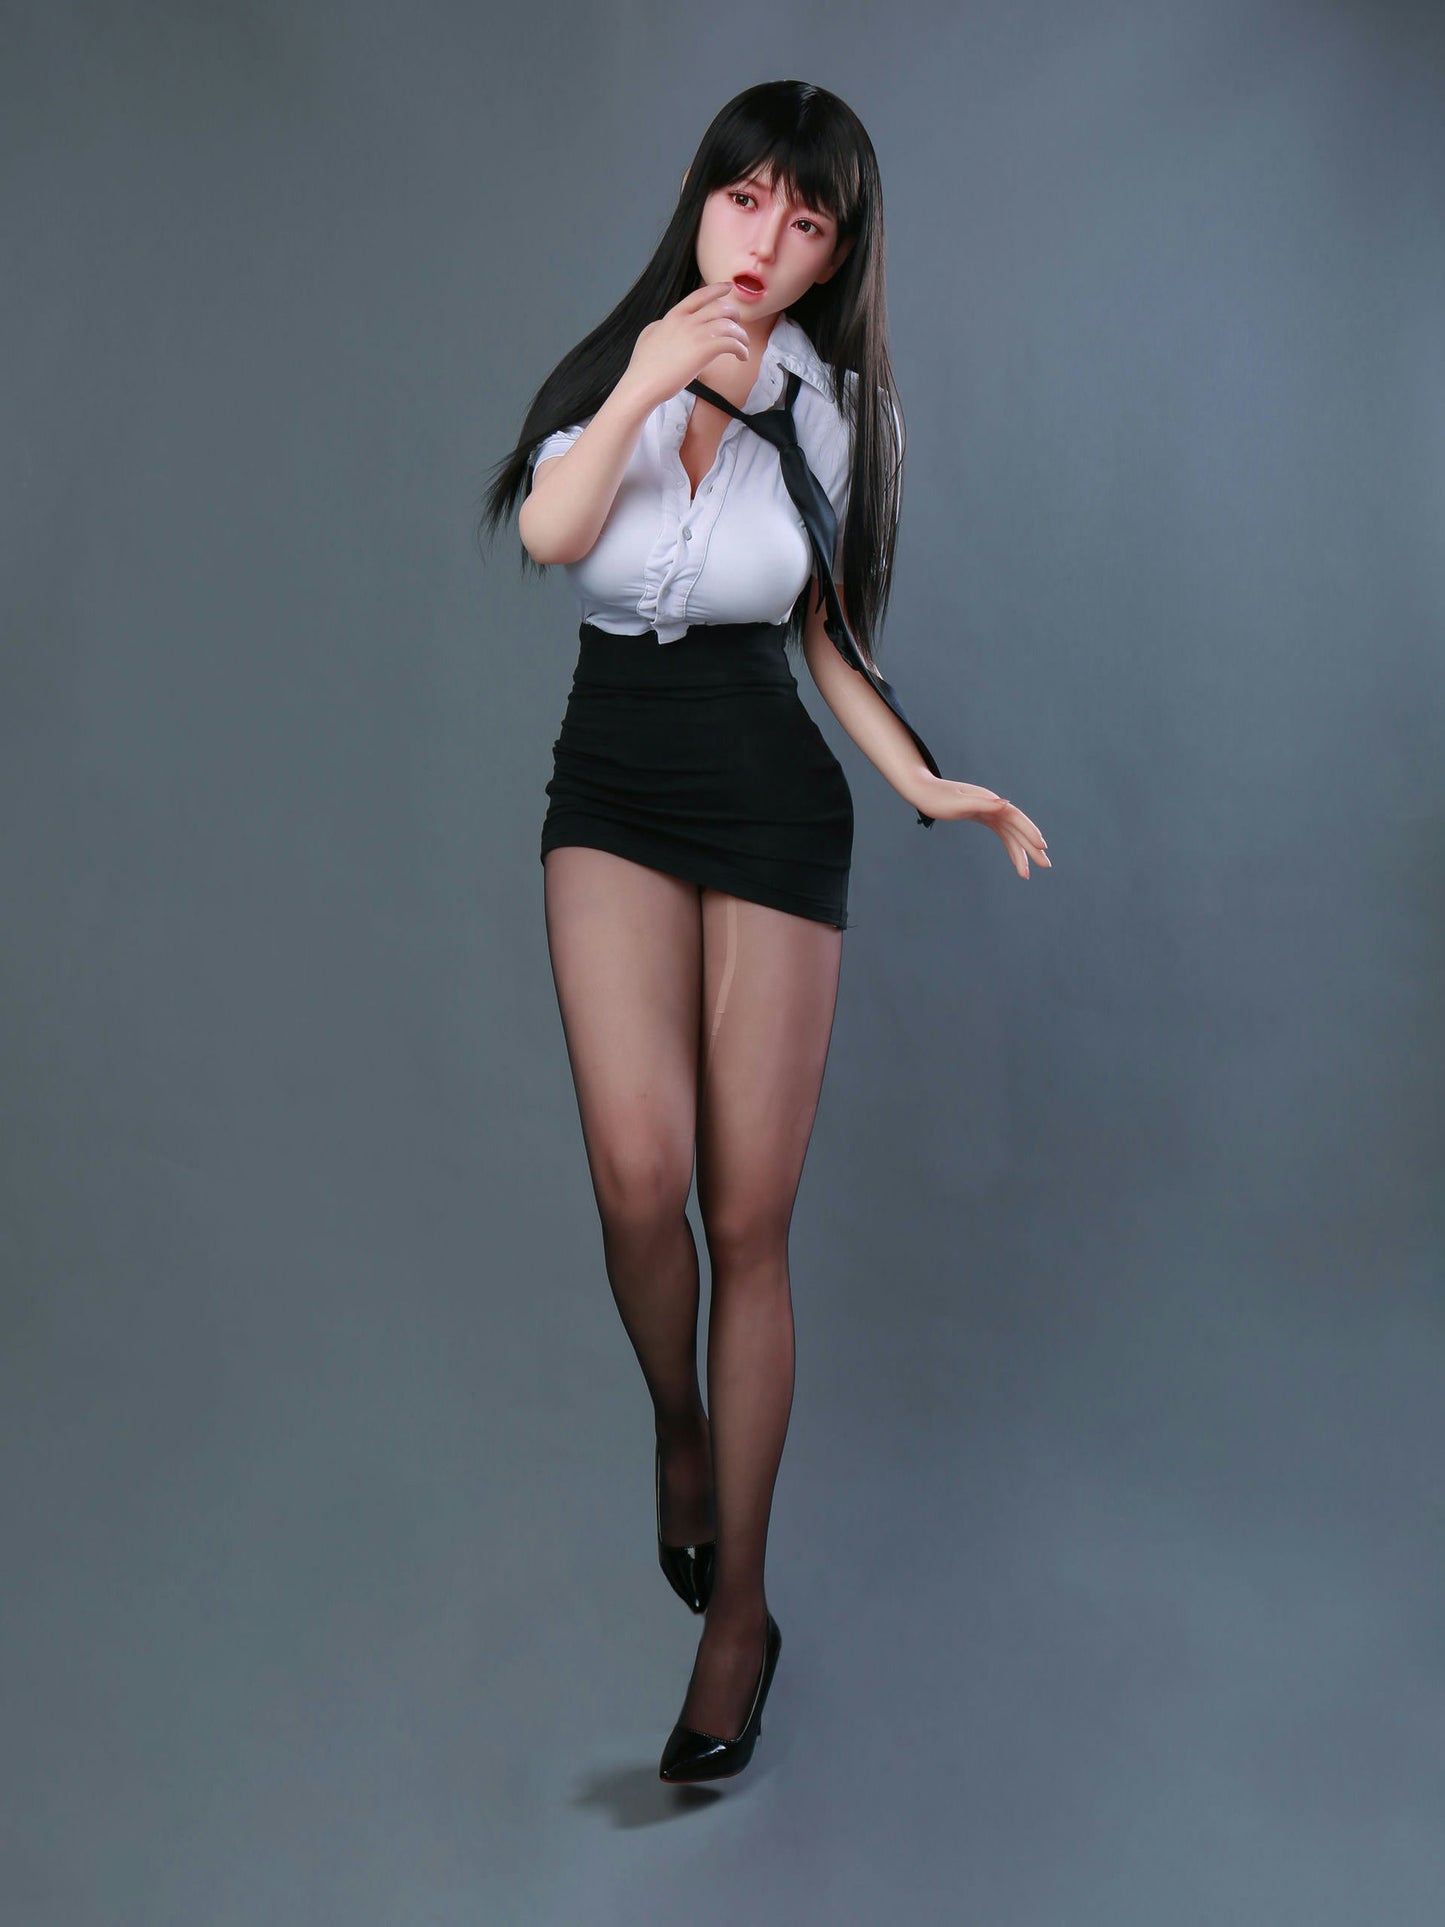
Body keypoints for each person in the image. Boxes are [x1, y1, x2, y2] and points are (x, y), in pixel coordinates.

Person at [480, 79, 1049, 1784]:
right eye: (746, 201)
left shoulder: (843, 414)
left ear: (834, 252)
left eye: (806, 223)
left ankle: (739, 1621)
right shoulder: (610, 371)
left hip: (773, 804)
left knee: (746, 1217)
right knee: (635, 1178)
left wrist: (927, 784)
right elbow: (549, 535)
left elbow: (826, 640)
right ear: (702, 197)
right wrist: (653, 376)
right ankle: (679, 1429)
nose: (765, 242)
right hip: (611, 784)